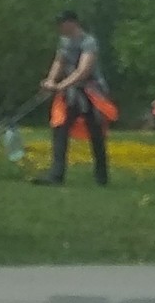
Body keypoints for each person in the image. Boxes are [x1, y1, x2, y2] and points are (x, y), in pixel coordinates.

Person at [36, 10, 117, 186]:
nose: (59, 27)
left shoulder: (89, 42)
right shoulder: (64, 42)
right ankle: (56, 176)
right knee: (60, 127)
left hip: (91, 92)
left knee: (96, 133)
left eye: (61, 23)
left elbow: (83, 71)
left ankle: (101, 177)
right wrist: (50, 80)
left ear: (71, 23)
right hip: (70, 92)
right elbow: (59, 61)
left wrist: (60, 86)